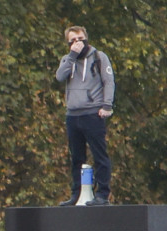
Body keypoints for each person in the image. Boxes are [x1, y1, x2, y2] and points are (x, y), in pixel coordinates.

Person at [55, 25, 115, 206]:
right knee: (76, 157)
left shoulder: (99, 57)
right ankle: (76, 193)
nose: (77, 43)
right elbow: (59, 77)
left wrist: (107, 105)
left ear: (86, 38)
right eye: (73, 40)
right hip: (73, 115)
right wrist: (72, 56)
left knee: (99, 155)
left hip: (92, 113)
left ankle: (102, 194)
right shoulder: (67, 59)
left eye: (80, 39)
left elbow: (109, 81)